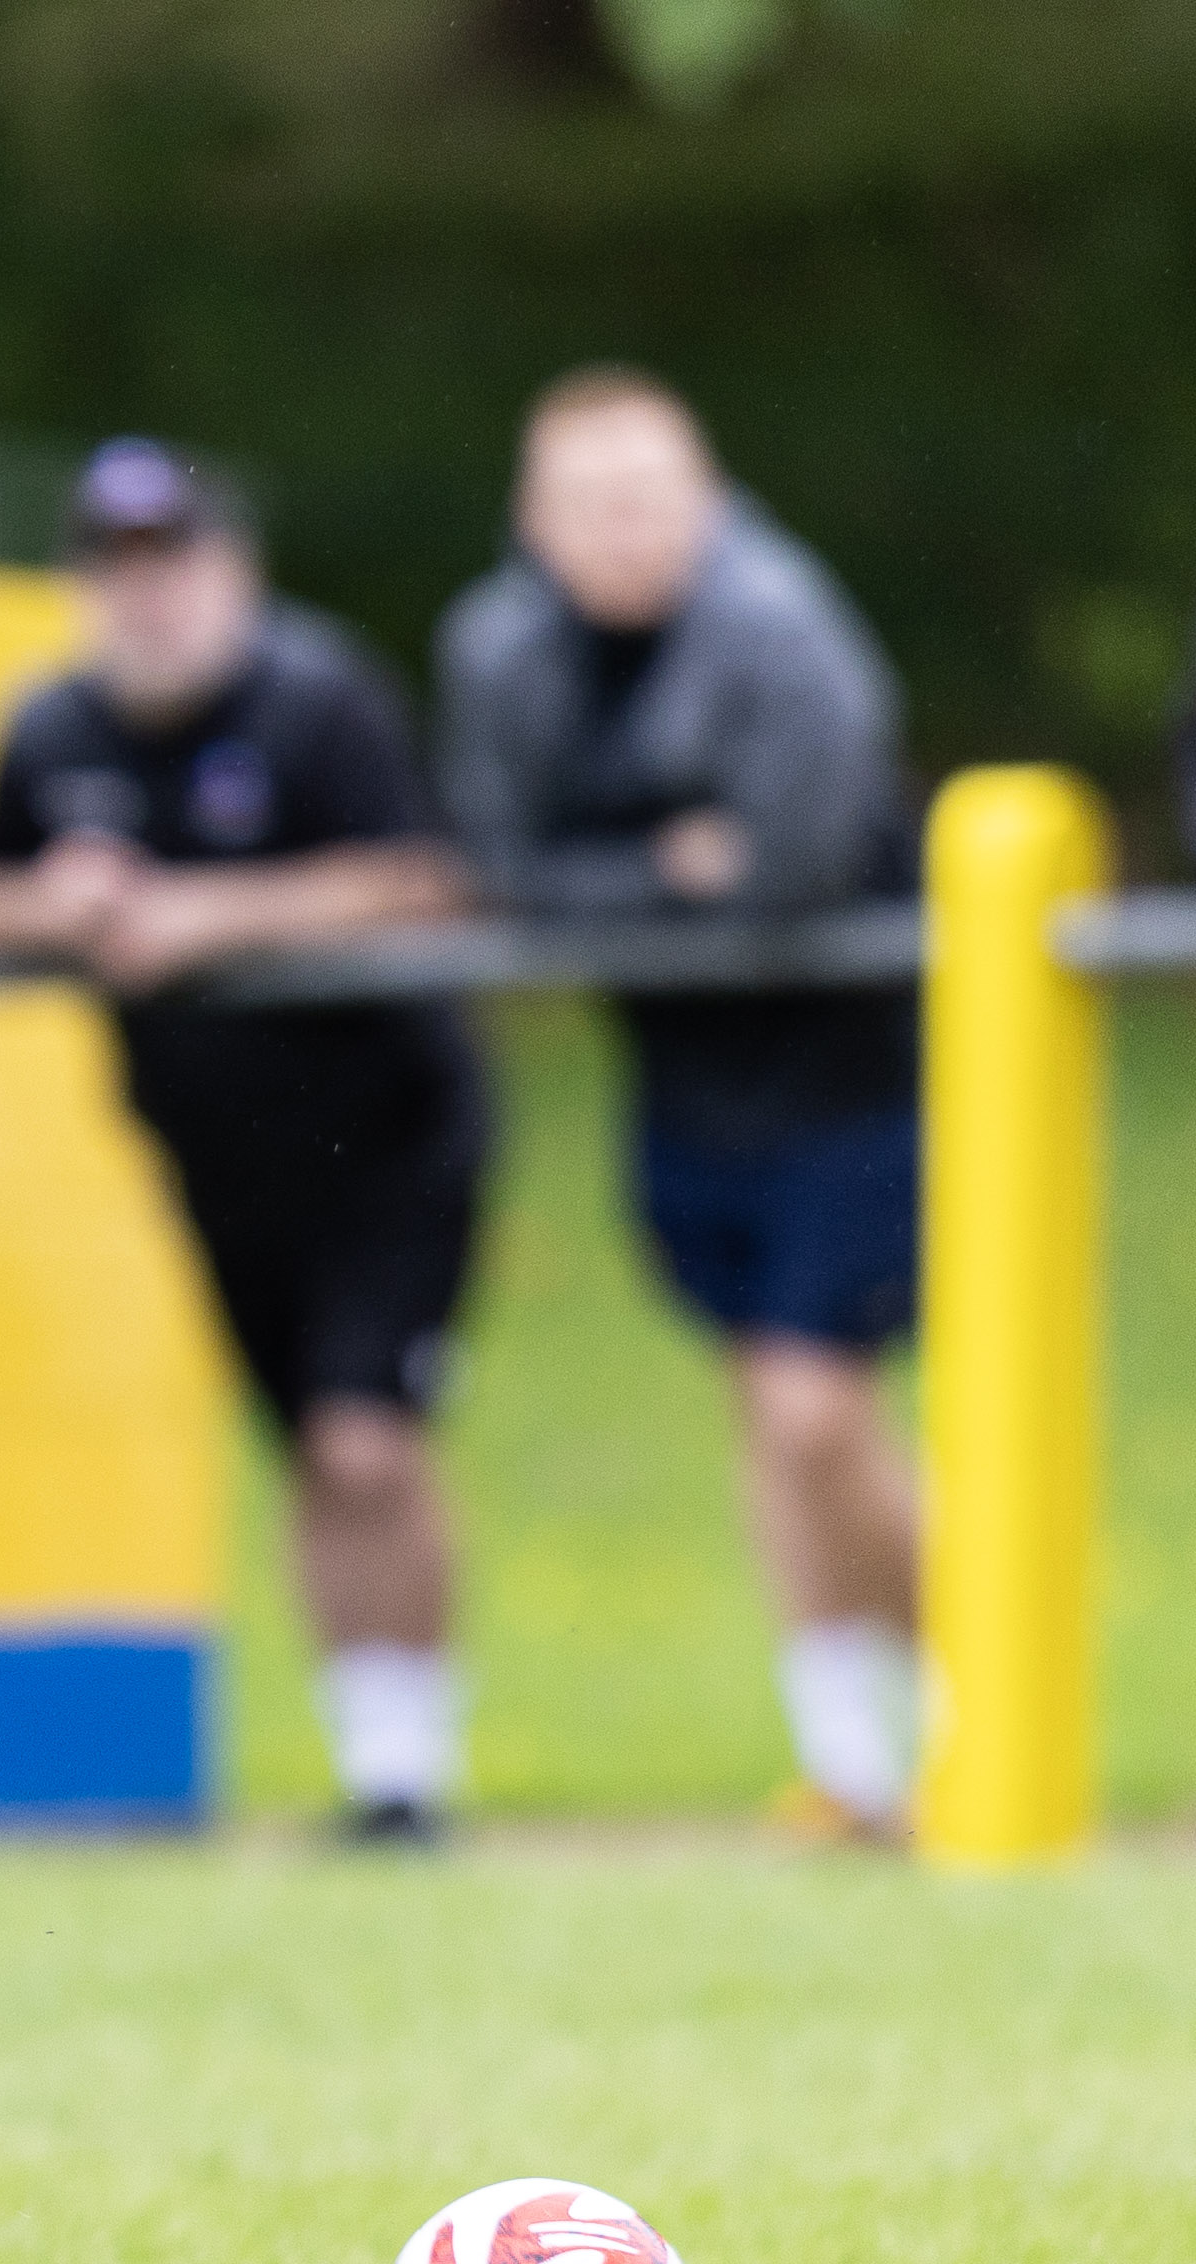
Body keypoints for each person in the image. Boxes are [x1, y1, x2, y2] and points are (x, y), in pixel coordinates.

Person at [0, 440, 484, 1842]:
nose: (148, 594)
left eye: (171, 558)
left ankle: (409, 1766)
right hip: (213, 1150)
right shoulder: (51, 729)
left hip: (385, 1138)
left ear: (227, 565)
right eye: (116, 565)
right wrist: (56, 903)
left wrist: (200, 915)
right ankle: (376, 1770)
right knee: (311, 1448)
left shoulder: (318, 700)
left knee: (367, 1437)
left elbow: (418, 879)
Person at [437, 366, 923, 1845]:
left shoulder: (779, 631)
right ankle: (849, 1760)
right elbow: (501, 871)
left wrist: (621, 882)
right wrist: (668, 866)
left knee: (809, 1402)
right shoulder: (500, 649)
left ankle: (990, 1703)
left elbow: (790, 871)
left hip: (853, 1068)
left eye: (646, 497)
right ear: (534, 519)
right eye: (586, 503)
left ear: (702, 496)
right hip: (684, 1076)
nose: (619, 530)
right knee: (771, 1416)